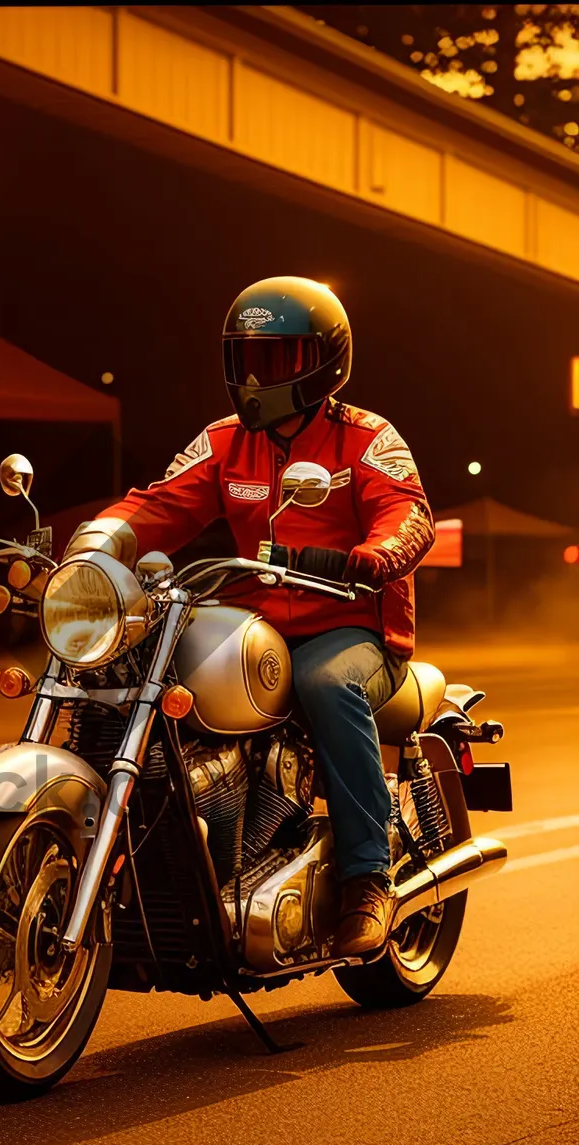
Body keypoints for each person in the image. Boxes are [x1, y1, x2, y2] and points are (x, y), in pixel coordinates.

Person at [68, 277, 435, 957]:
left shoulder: (366, 439)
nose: (259, 376)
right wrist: (100, 542)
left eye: (281, 358)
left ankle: (366, 879)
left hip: (353, 626)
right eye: (247, 359)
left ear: (326, 361)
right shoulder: (223, 443)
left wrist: (374, 556)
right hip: (257, 624)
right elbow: (161, 505)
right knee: (152, 670)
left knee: (326, 684)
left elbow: (408, 513)